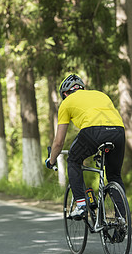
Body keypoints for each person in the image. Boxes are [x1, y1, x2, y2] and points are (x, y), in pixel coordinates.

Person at [45, 74, 126, 219]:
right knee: (114, 176)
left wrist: (51, 161)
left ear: (65, 93)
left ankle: (81, 205)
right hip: (118, 131)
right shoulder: (101, 95)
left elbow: (58, 142)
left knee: (73, 160)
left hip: (93, 131)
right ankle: (122, 219)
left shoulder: (67, 102)